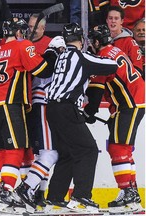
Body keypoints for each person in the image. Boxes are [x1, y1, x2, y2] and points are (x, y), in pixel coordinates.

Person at [0, 17, 57, 214]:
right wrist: (52, 53)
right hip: (9, 103)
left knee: (1, 149)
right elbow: (43, 70)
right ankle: (7, 191)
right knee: (16, 149)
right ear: (18, 32)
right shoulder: (22, 45)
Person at [45, 22, 118, 213]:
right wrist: (104, 52)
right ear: (82, 40)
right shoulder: (81, 56)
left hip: (51, 108)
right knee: (88, 150)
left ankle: (54, 198)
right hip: (67, 108)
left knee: (68, 153)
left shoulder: (62, 56)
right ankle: (81, 198)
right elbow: (112, 65)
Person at [86, 24, 145, 214]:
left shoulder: (102, 58)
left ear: (96, 41)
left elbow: (96, 91)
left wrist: (89, 111)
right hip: (132, 101)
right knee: (122, 147)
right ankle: (131, 192)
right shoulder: (115, 50)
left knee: (118, 147)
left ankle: (128, 194)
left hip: (129, 104)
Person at [16, 36, 66, 214]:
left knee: (42, 156)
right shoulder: (52, 59)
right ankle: (26, 188)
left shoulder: (43, 58)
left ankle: (39, 193)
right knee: (50, 154)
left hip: (37, 107)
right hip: (43, 106)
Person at [106, 6, 143, 78]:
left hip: (124, 86)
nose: (113, 21)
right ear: (107, 20)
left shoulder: (130, 42)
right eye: (110, 18)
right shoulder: (101, 41)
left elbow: (138, 69)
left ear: (122, 21)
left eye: (116, 18)